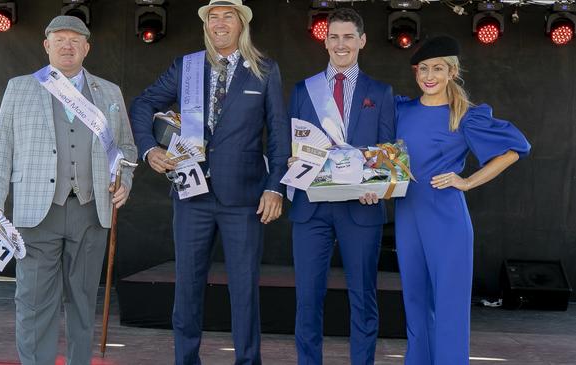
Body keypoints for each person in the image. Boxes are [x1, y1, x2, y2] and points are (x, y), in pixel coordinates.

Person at [129, 0, 290, 364]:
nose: (219, 23)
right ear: (206, 25)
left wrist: (274, 186)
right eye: (213, 17)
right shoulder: (186, 67)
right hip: (191, 195)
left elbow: (278, 134)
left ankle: (248, 360)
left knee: (245, 291)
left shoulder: (264, 69)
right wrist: (149, 150)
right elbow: (142, 103)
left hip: (245, 197)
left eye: (227, 16)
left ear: (241, 23)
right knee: (187, 287)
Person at [0, 16, 137, 365]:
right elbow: (0, 148)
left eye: (75, 39)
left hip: (90, 210)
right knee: (34, 302)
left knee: (83, 302)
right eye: (59, 39)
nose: (67, 45)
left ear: (87, 48)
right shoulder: (19, 87)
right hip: (36, 213)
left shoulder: (109, 92)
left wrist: (123, 181)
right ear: (46, 46)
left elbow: (126, 149)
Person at [394, 35, 531, 365]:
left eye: (438, 68)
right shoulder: (400, 109)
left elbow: (516, 149)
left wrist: (467, 181)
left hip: (447, 220)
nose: (429, 75)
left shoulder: (467, 115)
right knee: (415, 303)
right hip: (407, 216)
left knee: (450, 309)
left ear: (452, 72)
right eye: (423, 68)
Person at [287, 8, 395, 365]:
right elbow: (293, 144)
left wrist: (376, 186)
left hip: (360, 208)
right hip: (311, 206)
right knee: (307, 300)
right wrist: (292, 161)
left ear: (362, 41)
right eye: (334, 36)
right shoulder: (304, 89)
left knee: (363, 298)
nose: (341, 44)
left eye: (348, 37)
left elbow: (386, 151)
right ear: (325, 40)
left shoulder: (380, 92)